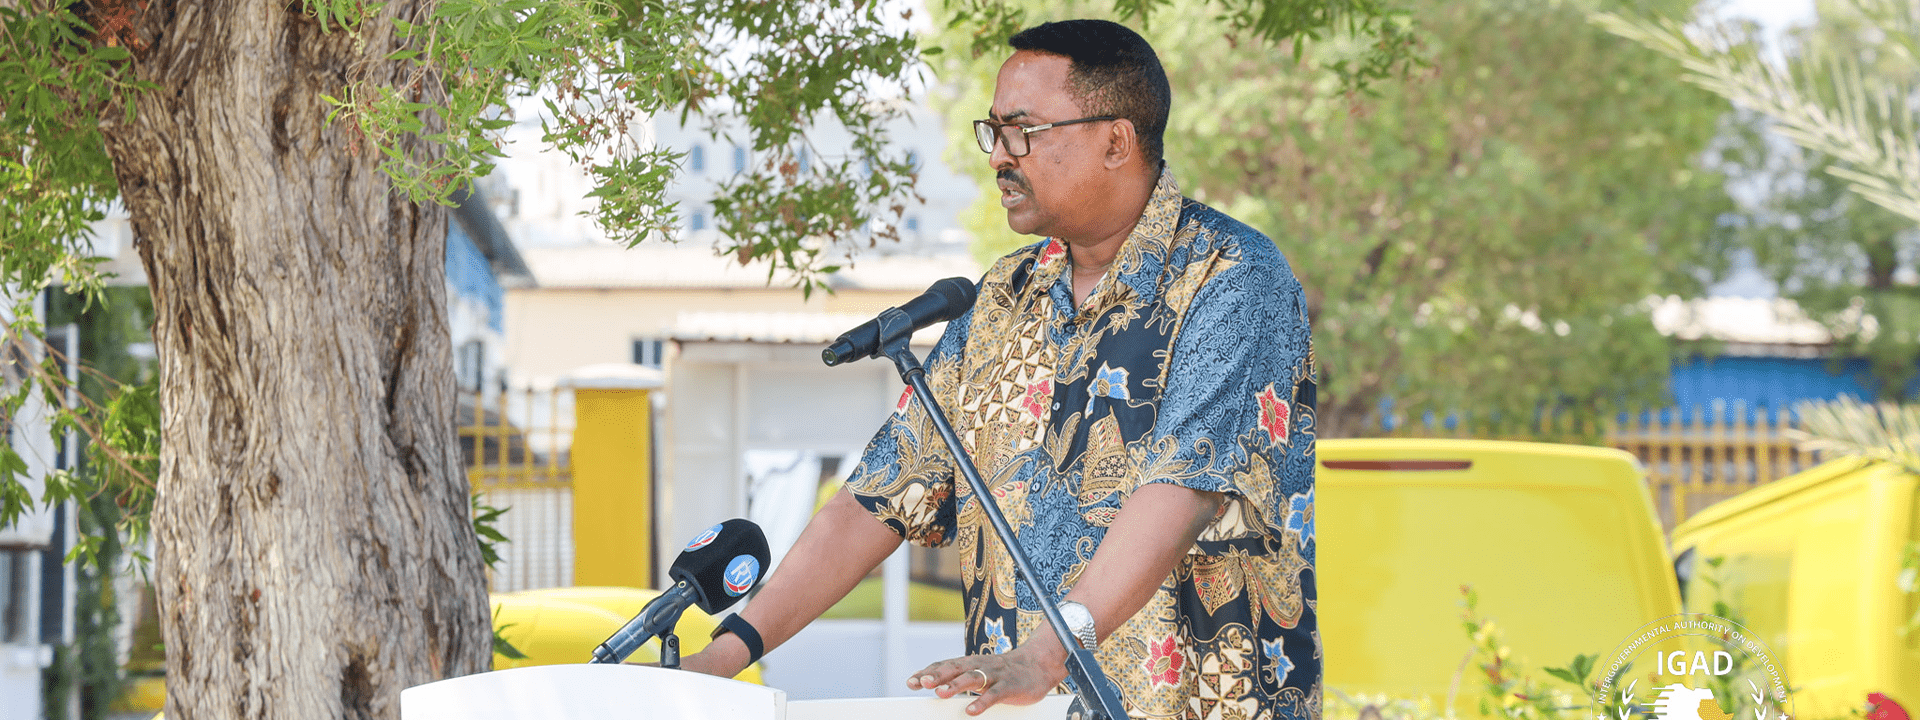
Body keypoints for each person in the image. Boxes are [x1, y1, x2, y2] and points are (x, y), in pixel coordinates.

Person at [681, 19, 1320, 720]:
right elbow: (878, 498)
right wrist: (726, 655)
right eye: (994, 132)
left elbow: (1180, 491)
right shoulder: (1001, 299)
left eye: (1024, 131)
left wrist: (1045, 657)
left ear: (1116, 140)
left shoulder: (1232, 279)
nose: (999, 157)